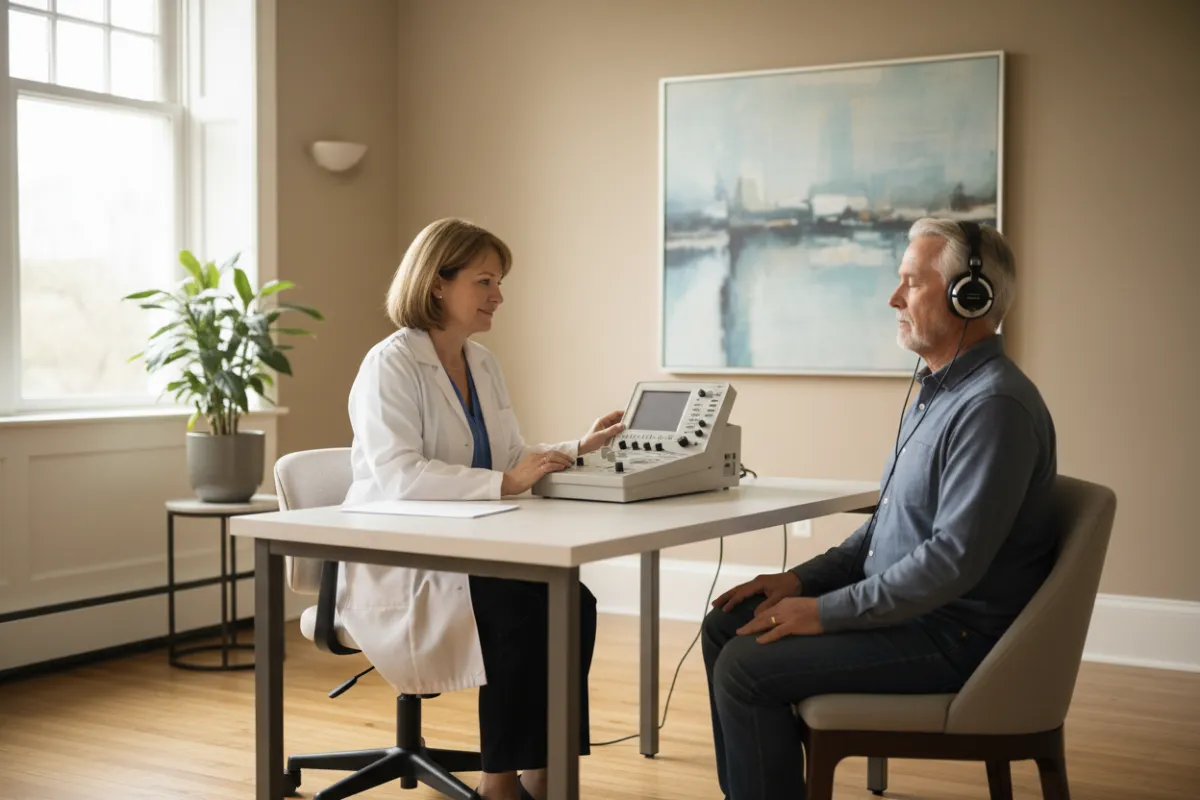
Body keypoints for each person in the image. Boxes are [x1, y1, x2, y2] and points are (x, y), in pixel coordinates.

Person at [701, 218, 1058, 800]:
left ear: (971, 297)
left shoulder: (994, 406)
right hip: (915, 615)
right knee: (726, 626)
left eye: (911, 284)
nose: (893, 299)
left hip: (952, 635)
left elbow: (949, 563)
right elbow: (884, 531)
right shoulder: (938, 393)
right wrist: (798, 581)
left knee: (744, 668)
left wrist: (820, 613)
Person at [339, 218, 625, 800]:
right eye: (486, 281)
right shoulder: (389, 365)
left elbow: (510, 456)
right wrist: (504, 482)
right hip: (404, 557)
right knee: (518, 611)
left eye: (499, 283)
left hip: (468, 545)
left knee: (575, 602)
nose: (499, 297)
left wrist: (575, 448)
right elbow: (399, 475)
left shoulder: (482, 363)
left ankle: (545, 771)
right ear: (438, 284)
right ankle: (499, 784)